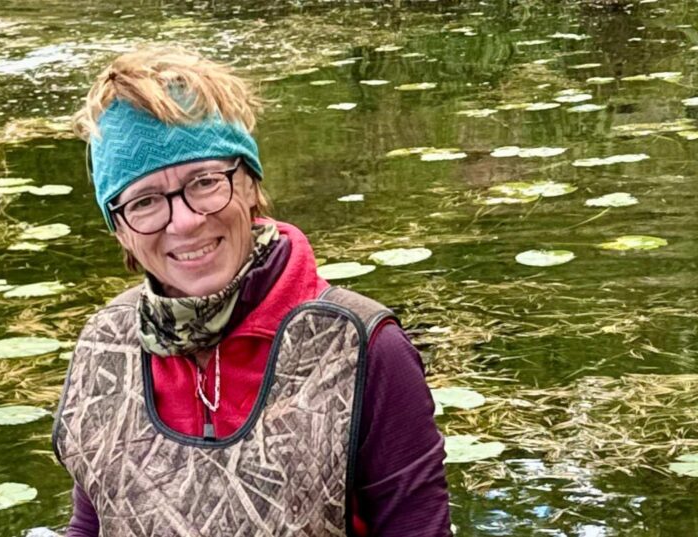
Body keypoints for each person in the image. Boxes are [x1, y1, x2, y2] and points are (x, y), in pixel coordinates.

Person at [52, 47, 450, 536]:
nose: (185, 221)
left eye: (204, 181)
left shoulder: (365, 350)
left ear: (249, 184)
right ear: (119, 228)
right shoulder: (105, 347)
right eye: (146, 201)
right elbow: (91, 523)